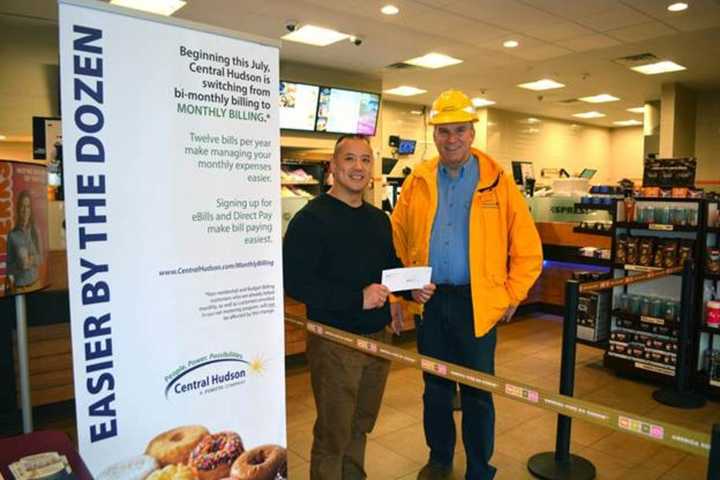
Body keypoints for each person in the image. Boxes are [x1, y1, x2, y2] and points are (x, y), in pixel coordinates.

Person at [391, 89, 543, 480]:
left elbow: (527, 249)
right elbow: (398, 238)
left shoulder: (498, 183)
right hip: (432, 301)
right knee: (435, 388)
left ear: (472, 133)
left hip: (478, 303)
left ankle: (479, 466)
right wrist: (407, 288)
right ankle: (439, 458)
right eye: (443, 131)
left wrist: (512, 294)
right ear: (435, 135)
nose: (451, 138)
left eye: (459, 130)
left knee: (477, 391)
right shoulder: (418, 181)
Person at [283, 134, 403, 479]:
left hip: (378, 339)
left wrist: (410, 290)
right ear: (333, 167)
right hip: (335, 342)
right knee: (333, 433)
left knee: (361, 425)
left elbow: (388, 267)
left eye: (365, 160)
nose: (358, 167)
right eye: (349, 159)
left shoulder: (378, 219)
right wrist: (356, 298)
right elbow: (296, 282)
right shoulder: (311, 220)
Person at [6, 190, 43, 292]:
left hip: (36, 284)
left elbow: (41, 258)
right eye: (22, 206)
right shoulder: (12, 235)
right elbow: (9, 266)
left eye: (28, 206)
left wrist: (31, 260)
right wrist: (19, 264)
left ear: (31, 209)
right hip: (19, 288)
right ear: (18, 209)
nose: (25, 210)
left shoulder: (35, 231)